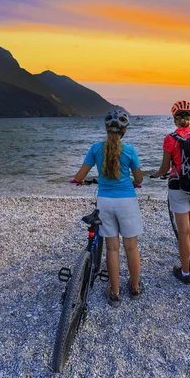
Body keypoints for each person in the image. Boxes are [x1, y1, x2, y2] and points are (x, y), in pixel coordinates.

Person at [72, 109, 144, 307]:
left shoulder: (96, 149)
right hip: (127, 201)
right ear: (124, 130)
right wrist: (135, 181)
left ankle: (115, 293)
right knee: (131, 247)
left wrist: (77, 181)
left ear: (106, 128)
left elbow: (80, 176)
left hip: (105, 201)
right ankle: (135, 288)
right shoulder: (130, 151)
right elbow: (139, 179)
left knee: (112, 248)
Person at [152, 101, 190, 284]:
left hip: (179, 187)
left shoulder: (170, 139)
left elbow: (164, 168)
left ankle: (185, 273)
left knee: (183, 231)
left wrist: (154, 175)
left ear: (174, 119)